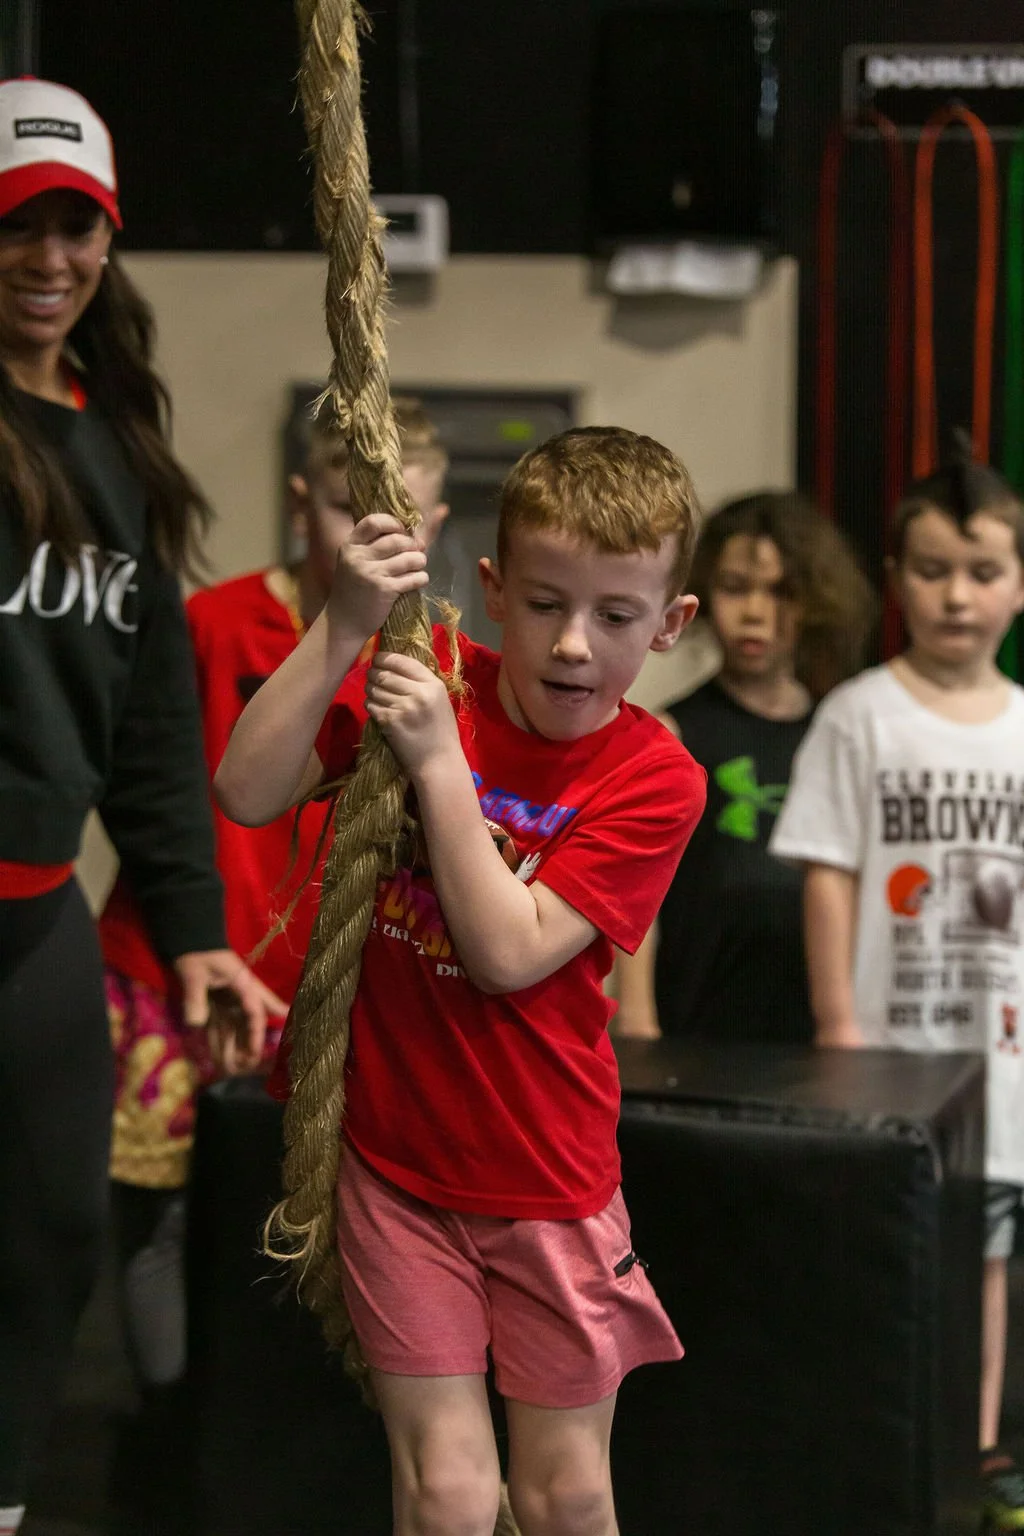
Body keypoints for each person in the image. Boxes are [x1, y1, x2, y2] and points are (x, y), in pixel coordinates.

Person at [215, 425, 708, 1536]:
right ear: (489, 589)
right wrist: (342, 623)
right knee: (443, 1493)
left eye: (615, 616)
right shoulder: (437, 684)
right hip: (398, 1169)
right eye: (542, 603)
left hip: (547, 1181)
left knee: (564, 1492)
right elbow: (247, 791)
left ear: (670, 625)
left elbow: (509, 951)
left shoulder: (652, 776)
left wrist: (440, 767)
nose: (574, 644)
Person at [0, 77, 277, 1536]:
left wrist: (194, 932)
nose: (49, 259)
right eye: (18, 229)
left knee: (52, 1238)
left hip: (36, 914)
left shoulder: (113, 450)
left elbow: (156, 731)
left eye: (76, 228)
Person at [96, 398, 450, 1499]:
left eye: (399, 516)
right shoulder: (213, 622)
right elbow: (152, 786)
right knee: (150, 1216)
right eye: (350, 509)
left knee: (319, 1236)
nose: (373, 536)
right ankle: (163, 1431)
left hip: (329, 1000)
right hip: (173, 974)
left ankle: (276, 1451)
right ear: (303, 504)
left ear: (434, 523)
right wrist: (205, 945)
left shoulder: (433, 656)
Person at [768, 457, 1024, 1530]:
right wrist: (838, 1028)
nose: (955, 596)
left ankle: (968, 1461)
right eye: (931, 571)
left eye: (980, 571)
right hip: (884, 1060)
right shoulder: (855, 716)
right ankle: (870, 1453)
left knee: (988, 1264)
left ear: (1016, 583)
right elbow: (827, 873)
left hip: (999, 1065)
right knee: (882, 1258)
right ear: (895, 580)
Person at [612, 492, 875, 1043]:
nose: (756, 612)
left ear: (816, 601)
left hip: (811, 1030)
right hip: (696, 1023)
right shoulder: (671, 734)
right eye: (735, 588)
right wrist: (637, 1024)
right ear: (704, 593)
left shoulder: (841, 734)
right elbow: (638, 902)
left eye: (781, 592)